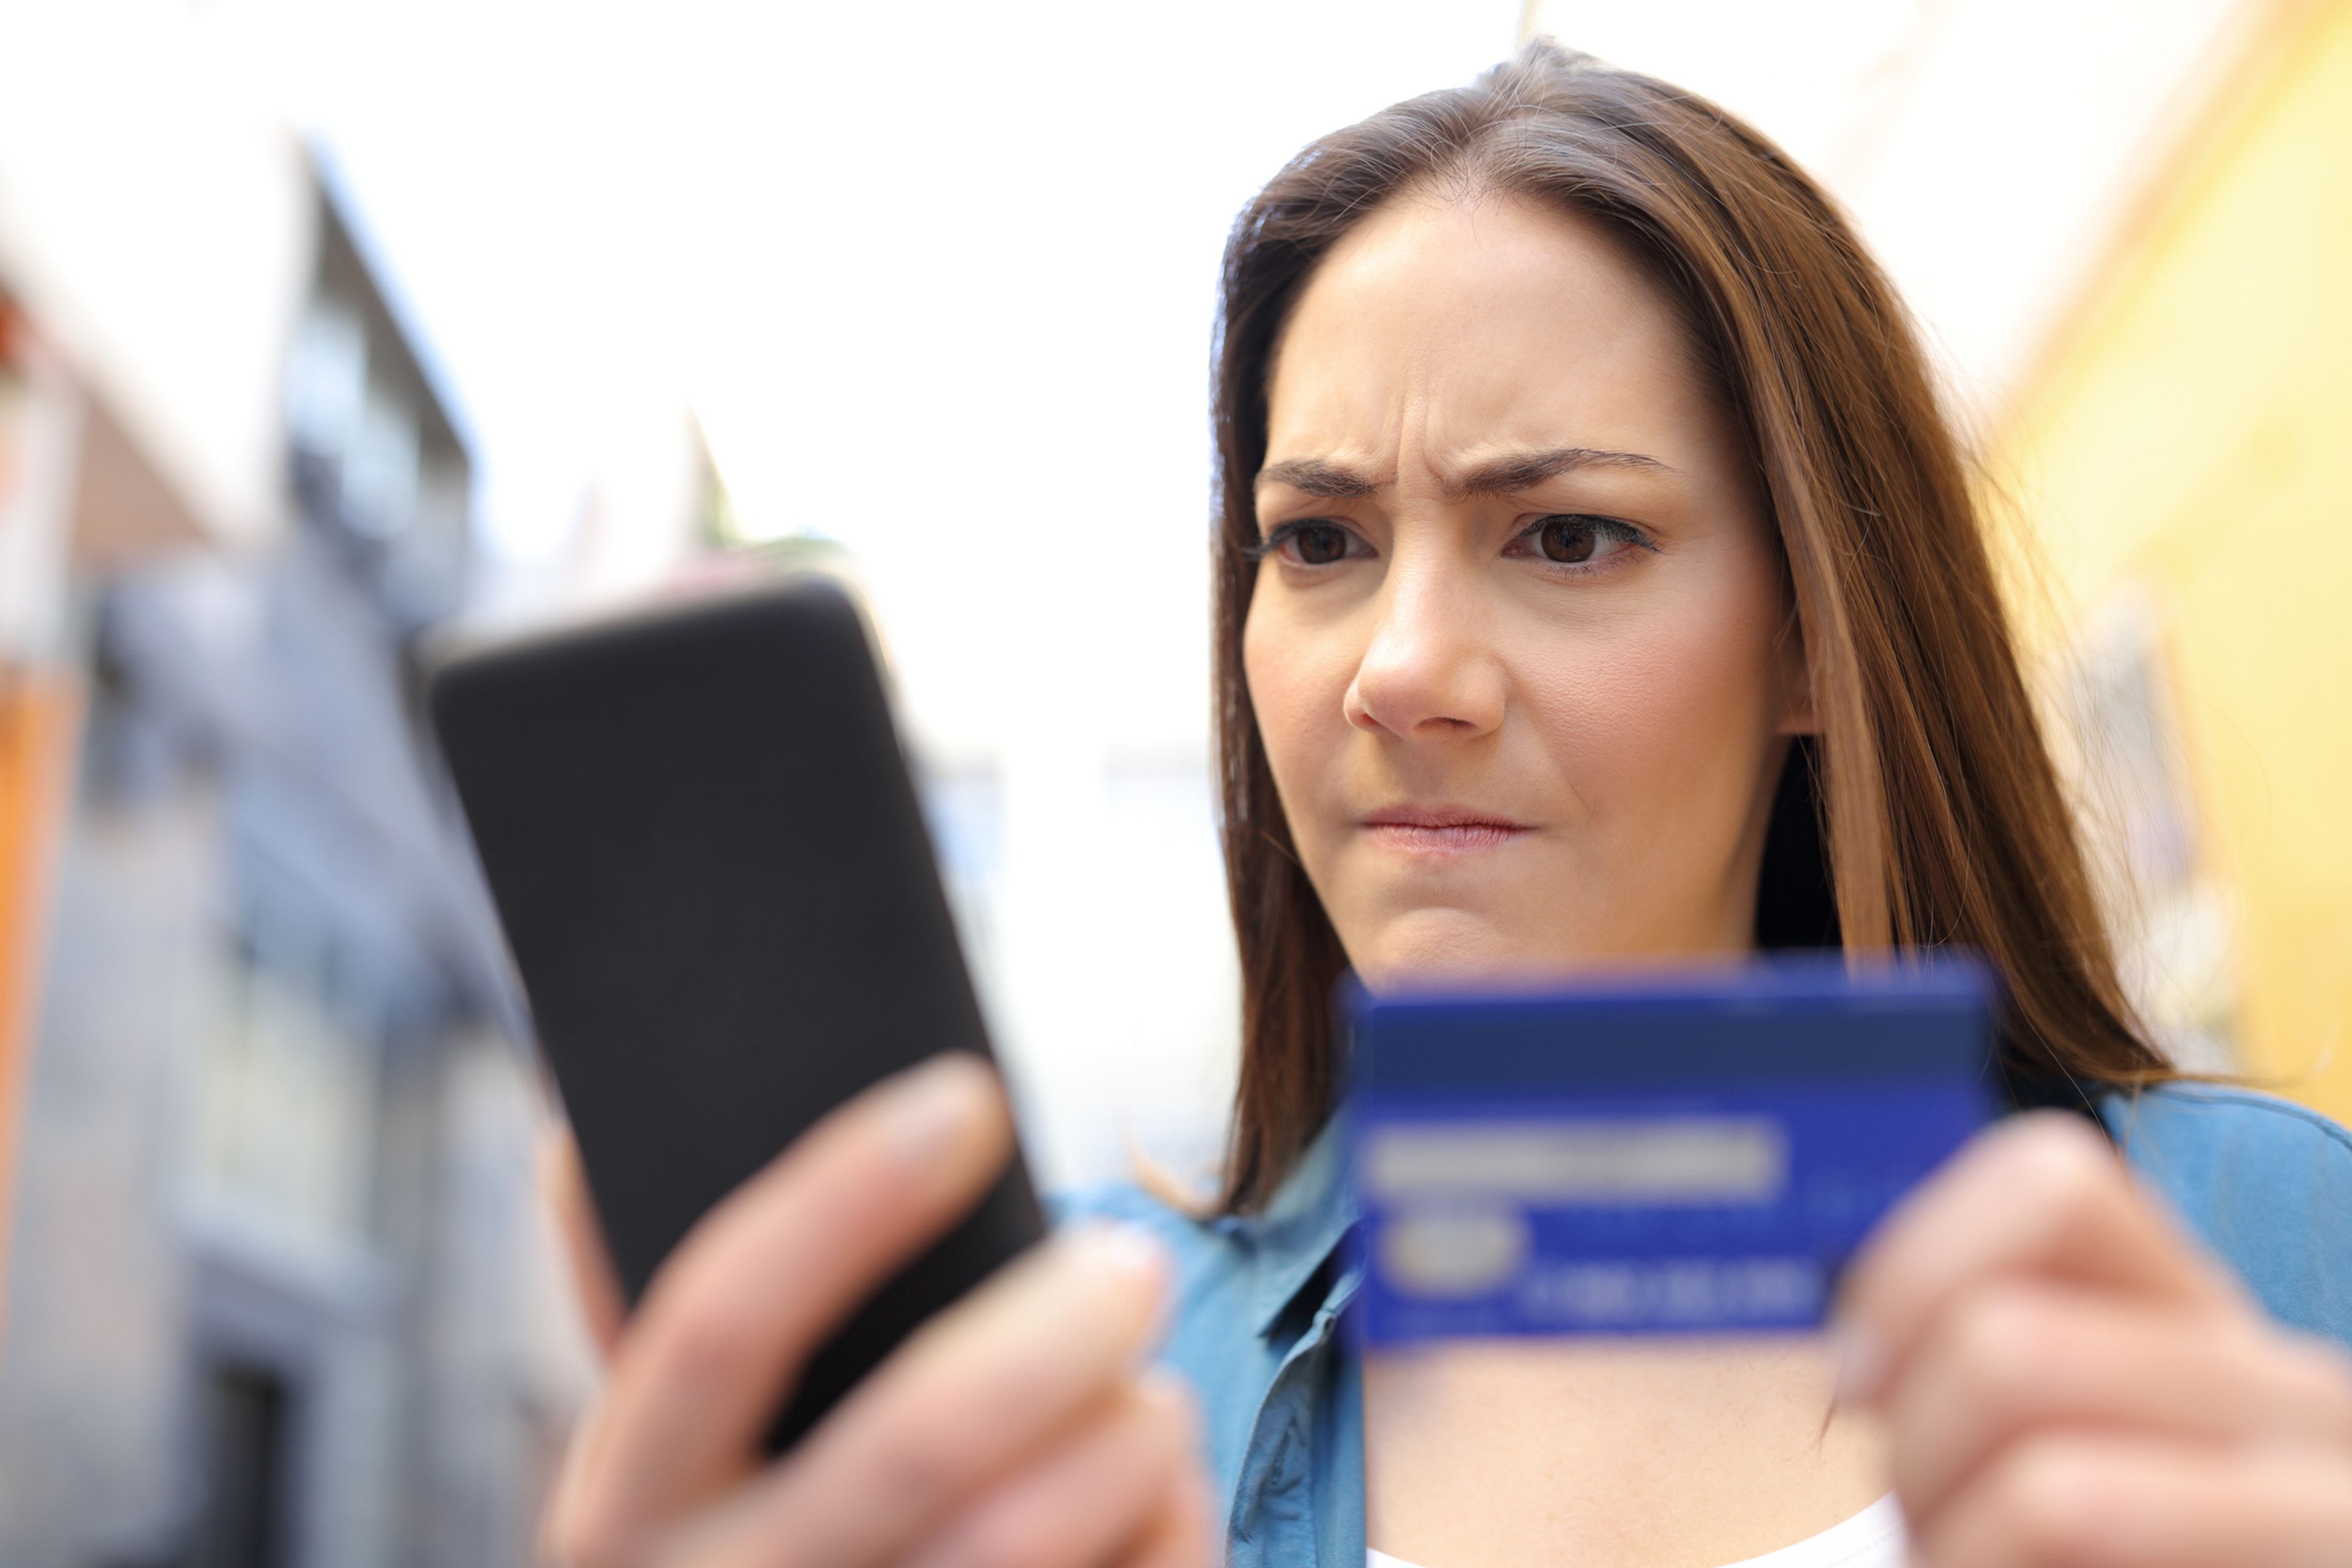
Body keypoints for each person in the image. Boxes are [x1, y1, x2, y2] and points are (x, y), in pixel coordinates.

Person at [535, 42, 2352, 1568]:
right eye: (1317, 541)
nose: (1396, 667)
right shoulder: (1048, 1381)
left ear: (1817, 639)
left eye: (1570, 537)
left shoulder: (2282, 1245)